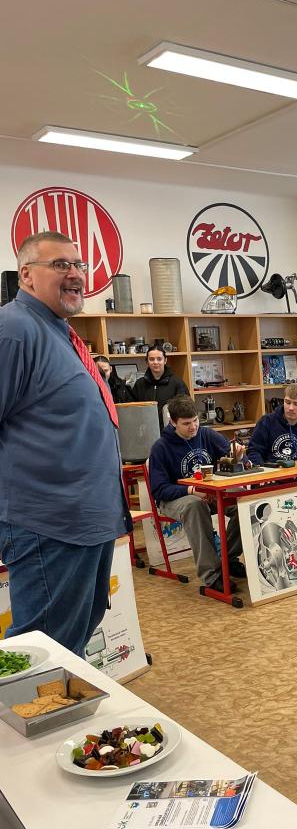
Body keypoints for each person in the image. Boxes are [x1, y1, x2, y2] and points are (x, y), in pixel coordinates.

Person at [0, 231, 130, 656]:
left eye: (78, 265)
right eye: (60, 265)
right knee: (41, 651)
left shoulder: (59, 331)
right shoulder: (14, 329)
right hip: (49, 525)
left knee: (69, 642)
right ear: (26, 275)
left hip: (84, 521)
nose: (74, 274)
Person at [148, 395, 249, 593]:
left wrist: (238, 456)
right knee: (195, 506)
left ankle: (228, 559)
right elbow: (159, 490)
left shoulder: (206, 434)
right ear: (173, 422)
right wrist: (192, 490)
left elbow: (232, 456)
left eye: (195, 420)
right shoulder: (161, 447)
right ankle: (212, 575)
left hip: (210, 492)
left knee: (243, 501)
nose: (193, 427)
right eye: (186, 423)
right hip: (175, 498)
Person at [245, 383, 297, 465]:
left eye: (296, 404)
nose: (291, 408)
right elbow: (254, 451)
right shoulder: (266, 422)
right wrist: (262, 469)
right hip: (270, 470)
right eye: (287, 402)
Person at [132, 345, 188, 423]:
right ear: (147, 362)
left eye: (159, 359)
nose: (155, 362)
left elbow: (186, 410)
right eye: (151, 359)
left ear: (165, 361)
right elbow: (133, 411)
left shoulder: (177, 383)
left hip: (171, 428)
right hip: (146, 428)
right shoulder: (139, 384)